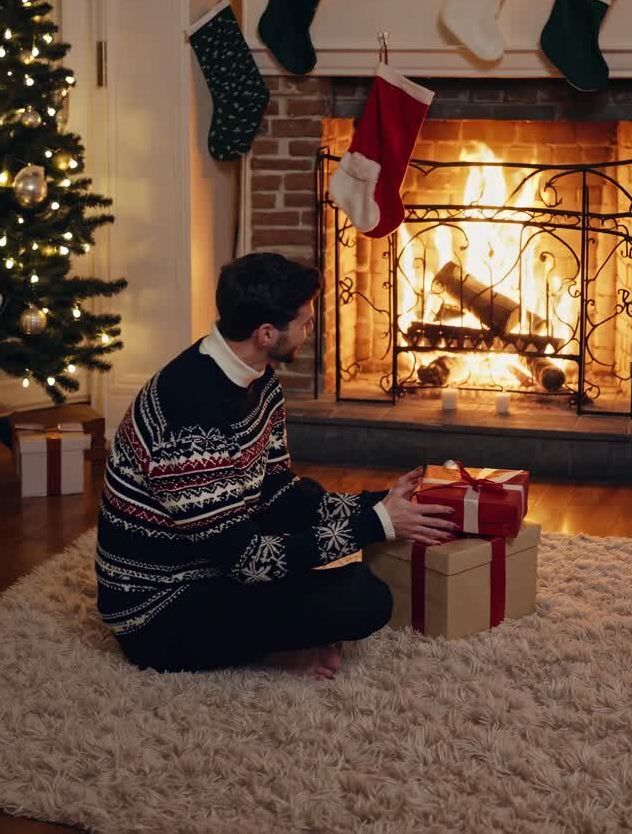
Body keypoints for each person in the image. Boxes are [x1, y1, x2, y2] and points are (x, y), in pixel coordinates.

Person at [95, 251, 457, 678]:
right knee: (364, 598)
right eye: (304, 322)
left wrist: (379, 504)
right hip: (160, 608)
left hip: (215, 563)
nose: (310, 330)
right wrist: (375, 525)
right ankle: (273, 652)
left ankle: (275, 641)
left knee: (344, 575)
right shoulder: (187, 413)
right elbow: (249, 561)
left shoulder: (258, 378)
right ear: (266, 333)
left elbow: (280, 494)